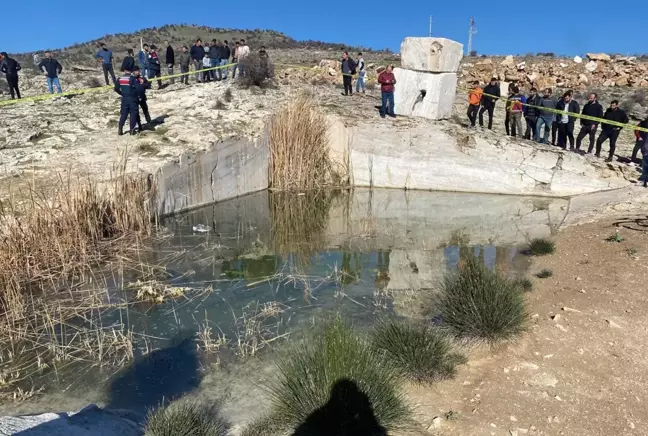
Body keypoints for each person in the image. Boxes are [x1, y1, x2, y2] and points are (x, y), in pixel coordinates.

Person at [114, 67, 139, 135]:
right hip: (132, 98)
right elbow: (138, 88)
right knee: (133, 114)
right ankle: (132, 130)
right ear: (131, 71)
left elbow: (116, 88)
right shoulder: (133, 78)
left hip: (124, 98)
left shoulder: (120, 79)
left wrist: (121, 93)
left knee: (124, 114)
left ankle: (120, 128)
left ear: (124, 71)